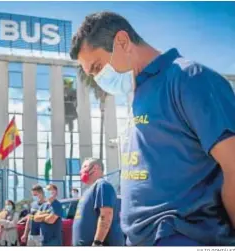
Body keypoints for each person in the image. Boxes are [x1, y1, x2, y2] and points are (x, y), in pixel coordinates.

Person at [70, 12, 235, 246]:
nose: (98, 79)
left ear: (122, 42)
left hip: (181, 236)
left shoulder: (189, 79)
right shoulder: (138, 94)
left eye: (97, 67)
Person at [73, 158, 124, 246]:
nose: (80, 171)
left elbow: (106, 214)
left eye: (84, 166)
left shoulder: (102, 185)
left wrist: (97, 243)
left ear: (95, 167)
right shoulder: (90, 190)